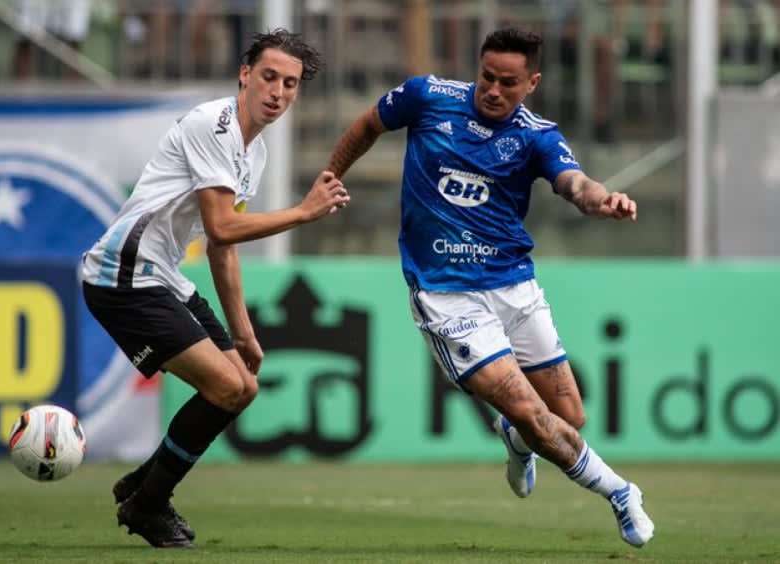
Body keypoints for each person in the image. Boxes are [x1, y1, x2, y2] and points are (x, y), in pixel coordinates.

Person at [325, 27, 654, 548]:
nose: (493, 90)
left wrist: (603, 199)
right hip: (446, 292)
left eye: (508, 82)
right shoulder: (428, 97)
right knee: (530, 411)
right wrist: (330, 174)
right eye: (486, 76)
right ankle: (619, 491)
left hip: (513, 286)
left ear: (532, 83)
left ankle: (516, 442)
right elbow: (369, 123)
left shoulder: (537, 135)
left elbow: (574, 184)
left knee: (568, 418)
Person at [81, 29, 349, 548]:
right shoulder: (214, 124)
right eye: (269, 76)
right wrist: (303, 211)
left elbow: (222, 248)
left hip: (162, 275)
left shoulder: (255, 152)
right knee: (226, 388)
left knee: (242, 386)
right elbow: (223, 227)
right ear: (245, 74)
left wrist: (243, 333)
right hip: (123, 276)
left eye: (290, 84)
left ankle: (145, 486)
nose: (278, 92)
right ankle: (147, 505)